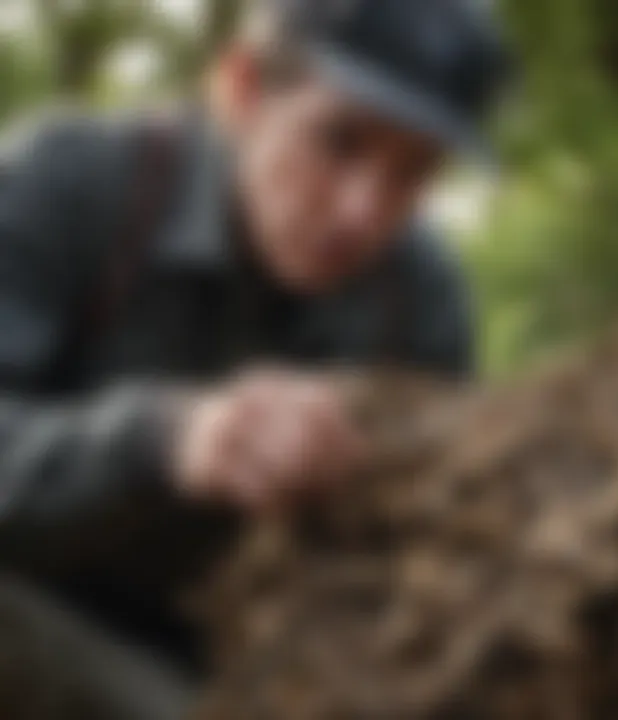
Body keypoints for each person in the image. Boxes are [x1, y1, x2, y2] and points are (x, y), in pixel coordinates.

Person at [0, 0, 509, 716]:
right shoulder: (70, 183)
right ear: (241, 90)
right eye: (340, 142)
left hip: (220, 688)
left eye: (414, 175)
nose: (366, 210)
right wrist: (164, 438)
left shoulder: (422, 304)